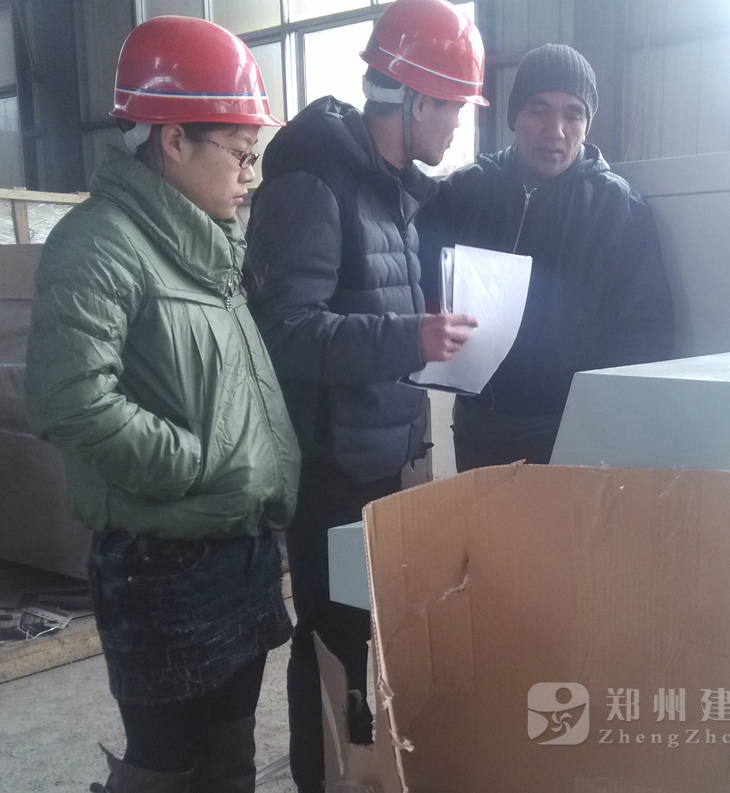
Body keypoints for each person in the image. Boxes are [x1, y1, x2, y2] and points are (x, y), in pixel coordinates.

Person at [23, 17, 300, 793]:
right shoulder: (98, 243)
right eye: (241, 154)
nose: (250, 176)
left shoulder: (210, 242)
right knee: (167, 766)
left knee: (231, 752)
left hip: (238, 547)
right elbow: (68, 397)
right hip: (160, 565)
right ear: (174, 140)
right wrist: (194, 464)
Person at [242, 0, 486, 789]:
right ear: (414, 99)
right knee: (334, 645)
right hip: (332, 471)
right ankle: (324, 778)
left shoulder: (386, 190)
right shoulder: (315, 186)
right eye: (453, 107)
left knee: (375, 642)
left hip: (384, 455)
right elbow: (285, 331)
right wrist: (410, 338)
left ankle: (366, 774)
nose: (457, 126)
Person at [417, 43, 675, 470]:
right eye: (539, 109)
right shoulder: (464, 193)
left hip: (573, 431)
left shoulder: (616, 207)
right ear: (514, 116)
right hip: (481, 425)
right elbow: (412, 283)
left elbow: (646, 330)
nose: (555, 130)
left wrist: (605, 415)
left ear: (587, 124)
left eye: (573, 114)